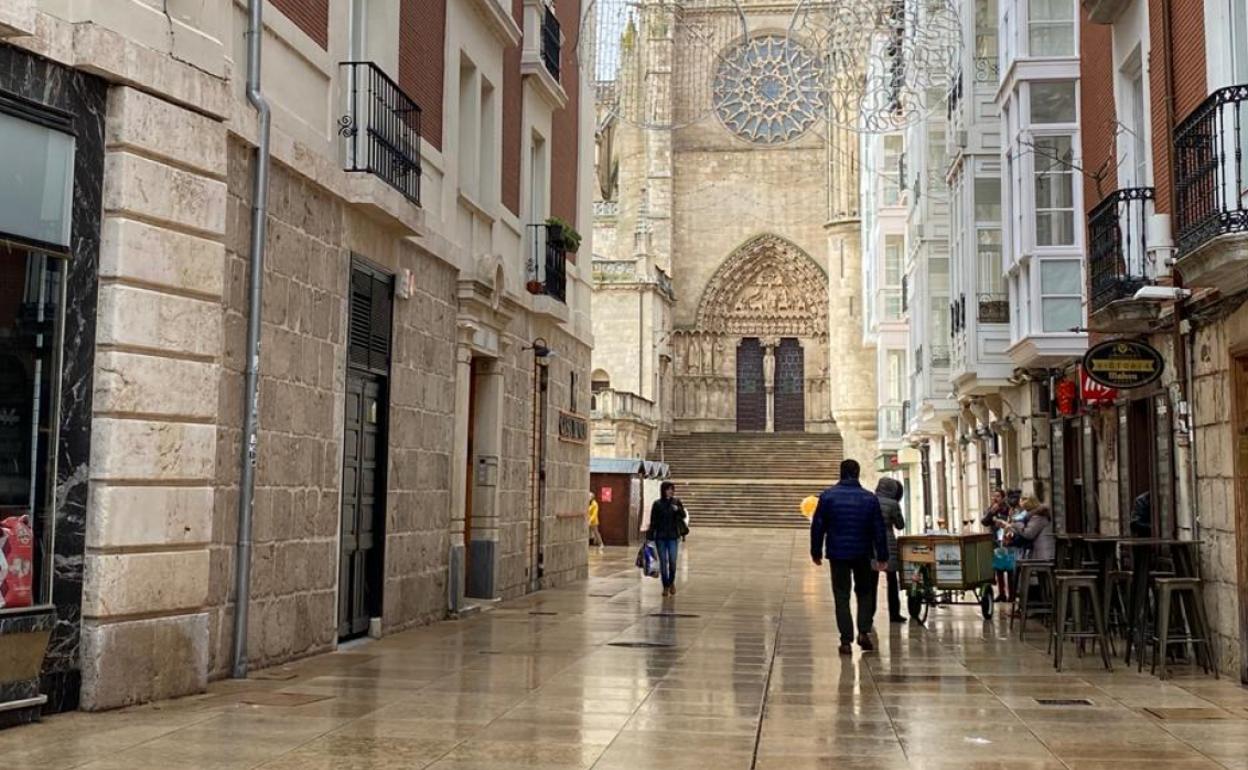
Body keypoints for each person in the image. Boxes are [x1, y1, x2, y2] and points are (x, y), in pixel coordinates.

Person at [811, 459, 889, 654]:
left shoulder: (828, 497)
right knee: (864, 593)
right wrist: (882, 555)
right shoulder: (869, 498)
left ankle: (846, 640)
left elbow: (818, 526)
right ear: (857, 473)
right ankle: (863, 631)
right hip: (863, 552)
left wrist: (816, 551)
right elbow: (879, 529)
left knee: (841, 595)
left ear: (840, 472)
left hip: (838, 553)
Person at [647, 481, 689, 596]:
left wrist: (678, 510)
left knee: (673, 562)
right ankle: (665, 586)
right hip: (660, 537)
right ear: (663, 490)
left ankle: (671, 582)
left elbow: (683, 515)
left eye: (672, 489)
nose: (671, 491)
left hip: (673, 537)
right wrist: (649, 537)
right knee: (663, 563)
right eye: (668, 489)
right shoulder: (657, 504)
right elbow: (653, 521)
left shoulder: (676, 502)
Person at [875, 477, 907, 624]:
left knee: (870, 581)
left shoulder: (870, 500)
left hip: (872, 542)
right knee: (892, 581)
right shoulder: (893, 504)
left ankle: (869, 613)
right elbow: (900, 525)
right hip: (889, 544)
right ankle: (894, 614)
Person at [981, 488, 1012, 602]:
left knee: (1009, 568)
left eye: (998, 496)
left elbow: (1010, 521)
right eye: (994, 496)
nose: (995, 498)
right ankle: (1001, 593)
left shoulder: (1007, 508)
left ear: (1003, 497)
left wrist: (1000, 519)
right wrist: (991, 512)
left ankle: (1012, 594)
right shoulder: (992, 508)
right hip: (996, 540)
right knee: (999, 568)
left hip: (1007, 539)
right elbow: (984, 521)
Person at [1008, 495, 1055, 562]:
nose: (1024, 512)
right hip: (1039, 551)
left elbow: (1029, 534)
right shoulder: (1035, 516)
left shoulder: (1038, 517)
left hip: (1043, 554)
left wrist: (1016, 524)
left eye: (1025, 509)